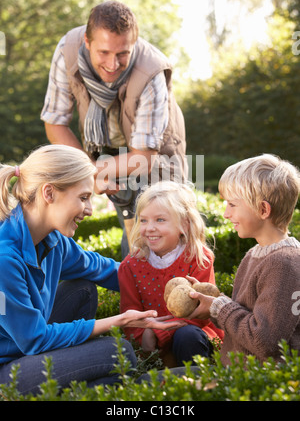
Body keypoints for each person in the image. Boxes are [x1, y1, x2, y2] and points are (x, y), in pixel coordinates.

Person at [0, 144, 185, 395]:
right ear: (49, 193)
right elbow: (34, 339)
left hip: (27, 349)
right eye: (84, 197)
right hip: (7, 370)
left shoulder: (55, 242)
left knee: (83, 289)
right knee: (115, 351)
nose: (89, 209)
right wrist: (117, 321)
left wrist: (177, 286)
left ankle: (92, 384)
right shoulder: (4, 259)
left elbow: (109, 271)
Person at [40, 0, 187, 258]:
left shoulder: (151, 72)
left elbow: (144, 157)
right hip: (103, 148)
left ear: (135, 44)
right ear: (87, 42)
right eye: (104, 52)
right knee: (130, 226)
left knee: (162, 231)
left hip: (155, 152)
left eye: (123, 54)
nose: (113, 63)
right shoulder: (67, 51)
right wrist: (89, 172)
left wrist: (91, 174)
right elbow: (55, 122)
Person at [188, 154, 300, 365]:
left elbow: (263, 341)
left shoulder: (284, 264)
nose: (225, 214)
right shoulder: (256, 254)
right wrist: (212, 303)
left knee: (149, 382)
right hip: (236, 372)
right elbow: (245, 319)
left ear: (263, 210)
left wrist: (220, 306)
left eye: (232, 204)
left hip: (256, 382)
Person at [118, 181, 224, 367]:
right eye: (143, 220)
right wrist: (145, 337)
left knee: (187, 336)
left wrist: (158, 333)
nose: (149, 227)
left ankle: (199, 386)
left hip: (193, 339)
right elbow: (130, 315)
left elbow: (201, 313)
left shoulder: (198, 258)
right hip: (151, 347)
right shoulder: (130, 266)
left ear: (184, 224)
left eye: (160, 220)